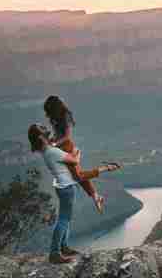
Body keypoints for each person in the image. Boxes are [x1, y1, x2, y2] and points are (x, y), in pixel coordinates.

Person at [28, 123, 120, 264]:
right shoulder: (52, 152)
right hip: (66, 188)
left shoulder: (47, 151)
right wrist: (77, 151)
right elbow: (74, 160)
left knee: (66, 218)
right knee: (63, 220)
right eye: (43, 129)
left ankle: (63, 247)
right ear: (41, 137)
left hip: (62, 186)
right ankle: (55, 253)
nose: (46, 129)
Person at [43, 95, 120, 213]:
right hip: (59, 149)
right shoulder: (54, 118)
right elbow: (57, 134)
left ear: (54, 107)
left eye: (48, 110)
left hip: (67, 148)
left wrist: (54, 145)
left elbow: (67, 136)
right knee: (79, 176)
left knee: (78, 176)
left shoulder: (65, 116)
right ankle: (96, 197)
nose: (47, 113)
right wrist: (52, 140)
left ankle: (106, 168)